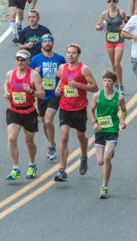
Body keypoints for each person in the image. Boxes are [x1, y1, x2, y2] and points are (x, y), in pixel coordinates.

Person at [53, 44, 99, 182]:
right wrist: (58, 90)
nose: (70, 55)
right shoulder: (62, 68)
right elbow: (62, 82)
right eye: (68, 53)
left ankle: (84, 156)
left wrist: (79, 85)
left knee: (80, 135)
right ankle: (62, 170)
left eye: (73, 53)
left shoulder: (84, 69)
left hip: (79, 108)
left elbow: (95, 87)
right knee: (63, 136)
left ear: (78, 55)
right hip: (65, 107)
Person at [4, 49, 45, 181]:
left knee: (29, 141)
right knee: (11, 138)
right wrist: (7, 93)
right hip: (14, 110)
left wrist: (31, 91)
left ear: (28, 61)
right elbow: (6, 84)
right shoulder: (10, 74)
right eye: (18, 59)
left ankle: (32, 164)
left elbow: (42, 94)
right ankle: (15, 168)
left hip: (29, 111)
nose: (20, 62)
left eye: (23, 59)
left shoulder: (34, 76)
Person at [89, 70, 127, 199]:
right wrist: (94, 123)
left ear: (114, 83)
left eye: (109, 81)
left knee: (106, 159)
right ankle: (109, 153)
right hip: (99, 129)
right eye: (105, 80)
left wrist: (122, 120)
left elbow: (124, 110)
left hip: (112, 129)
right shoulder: (97, 96)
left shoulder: (119, 97)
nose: (106, 83)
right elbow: (91, 110)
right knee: (100, 161)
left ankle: (104, 187)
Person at [29, 35, 66, 161]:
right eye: (45, 41)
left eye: (49, 41)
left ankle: (51, 146)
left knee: (49, 120)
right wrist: (35, 72)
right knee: (45, 122)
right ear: (41, 44)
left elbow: (67, 73)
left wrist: (61, 75)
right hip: (41, 94)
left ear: (53, 43)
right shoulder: (35, 59)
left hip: (55, 94)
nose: (47, 43)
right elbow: (28, 76)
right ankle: (51, 142)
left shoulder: (60, 58)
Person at [95, 0, 129, 94]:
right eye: (110, 1)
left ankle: (121, 85)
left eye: (114, 1)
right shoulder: (105, 14)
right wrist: (101, 27)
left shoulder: (121, 13)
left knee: (117, 63)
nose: (112, 3)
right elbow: (97, 26)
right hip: (109, 41)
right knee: (113, 65)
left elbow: (128, 23)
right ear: (107, 2)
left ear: (117, 2)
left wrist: (124, 26)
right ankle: (115, 84)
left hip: (119, 40)